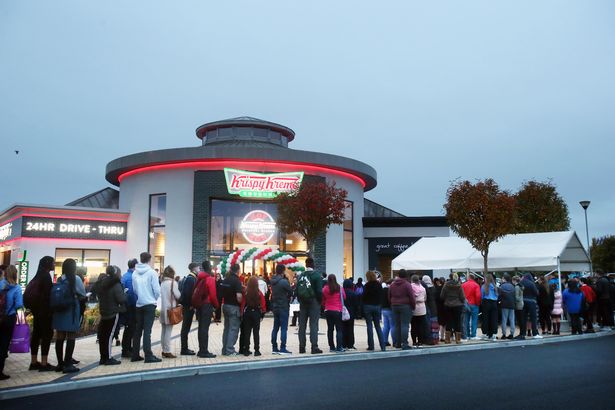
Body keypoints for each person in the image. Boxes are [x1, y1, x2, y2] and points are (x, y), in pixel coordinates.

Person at [53, 258, 86, 373]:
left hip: (59, 310)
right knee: (71, 336)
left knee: (60, 336)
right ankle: (68, 364)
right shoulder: (76, 279)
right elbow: (82, 293)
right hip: (71, 310)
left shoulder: (59, 279)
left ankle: (60, 364)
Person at [23, 256, 56, 372]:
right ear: (48, 264)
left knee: (36, 334)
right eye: (53, 262)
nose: (54, 264)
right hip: (45, 311)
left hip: (36, 311)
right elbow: (48, 295)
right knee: (47, 335)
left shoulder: (37, 276)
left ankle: (33, 362)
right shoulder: (46, 276)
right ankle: (44, 363)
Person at [131, 252, 162, 363]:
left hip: (139, 304)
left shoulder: (135, 273)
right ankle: (148, 355)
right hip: (149, 304)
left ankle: (135, 354)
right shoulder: (152, 273)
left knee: (138, 330)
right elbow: (157, 290)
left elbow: (134, 289)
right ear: (149, 260)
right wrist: (153, 298)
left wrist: (141, 296)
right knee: (147, 331)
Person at [95, 265, 126, 365]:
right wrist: (125, 294)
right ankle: (108, 358)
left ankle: (102, 357)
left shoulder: (101, 283)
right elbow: (121, 299)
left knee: (103, 336)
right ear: (116, 273)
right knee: (109, 336)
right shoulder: (115, 284)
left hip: (103, 312)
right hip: (112, 312)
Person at [0, 265, 24, 380]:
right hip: (8, 319)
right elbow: (19, 305)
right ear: (15, 274)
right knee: (4, 344)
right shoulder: (16, 288)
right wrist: (22, 321)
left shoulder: (0, 284)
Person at [298, 257, 324, 354]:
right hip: (313, 302)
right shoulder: (316, 276)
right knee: (313, 324)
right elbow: (319, 291)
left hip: (303, 302)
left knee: (302, 325)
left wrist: (301, 300)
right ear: (313, 264)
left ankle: (302, 347)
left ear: (306, 265)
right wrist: (319, 302)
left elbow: (296, 290)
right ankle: (314, 347)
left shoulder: (301, 275)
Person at [195, 261, 219, 358]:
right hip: (207, 305)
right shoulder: (210, 279)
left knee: (201, 328)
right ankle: (204, 351)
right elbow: (213, 295)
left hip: (200, 305)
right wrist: (216, 306)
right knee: (205, 328)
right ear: (209, 267)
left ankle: (201, 349)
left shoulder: (199, 277)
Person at [240, 276, 267, 356]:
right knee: (256, 332)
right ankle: (257, 350)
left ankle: (246, 350)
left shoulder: (246, 292)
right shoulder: (259, 293)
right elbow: (263, 304)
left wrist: (241, 313)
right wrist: (262, 314)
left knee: (247, 332)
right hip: (256, 313)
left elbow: (243, 304)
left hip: (247, 313)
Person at [389, 269, 415, 350]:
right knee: (404, 325)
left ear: (398, 275)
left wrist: (392, 303)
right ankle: (404, 343)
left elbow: (389, 295)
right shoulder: (407, 284)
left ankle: (397, 343)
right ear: (406, 275)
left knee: (397, 325)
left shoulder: (392, 284)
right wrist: (413, 306)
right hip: (405, 306)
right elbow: (411, 296)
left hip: (394, 305)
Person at [158, 266, 181, 358]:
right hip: (170, 309)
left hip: (163, 309)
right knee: (168, 331)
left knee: (163, 330)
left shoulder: (162, 283)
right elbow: (178, 295)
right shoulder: (173, 283)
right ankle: (167, 351)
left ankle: (164, 349)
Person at [270, 264, 293, 355]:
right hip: (283, 306)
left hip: (275, 306)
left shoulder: (273, 281)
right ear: (283, 271)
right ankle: (283, 348)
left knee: (275, 327)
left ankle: (274, 348)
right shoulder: (284, 282)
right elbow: (291, 292)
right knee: (283, 328)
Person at [221, 264, 243, 356]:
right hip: (234, 307)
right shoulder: (237, 281)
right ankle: (230, 350)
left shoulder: (226, 279)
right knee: (233, 329)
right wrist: (241, 302)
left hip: (225, 305)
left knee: (227, 328)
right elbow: (239, 296)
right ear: (238, 270)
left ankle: (224, 349)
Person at [322, 274, 346, 352]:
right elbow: (344, 297)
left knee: (330, 329)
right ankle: (339, 347)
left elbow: (322, 300)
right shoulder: (339, 288)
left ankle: (331, 347)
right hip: (337, 310)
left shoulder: (325, 288)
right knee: (339, 329)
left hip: (328, 310)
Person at [179, 262, 199, 355]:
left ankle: (185, 348)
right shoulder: (191, 279)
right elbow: (188, 293)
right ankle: (184, 349)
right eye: (198, 268)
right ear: (194, 269)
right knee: (185, 327)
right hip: (188, 307)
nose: (199, 270)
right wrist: (191, 304)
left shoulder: (191, 278)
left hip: (188, 306)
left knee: (186, 327)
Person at [440, 273, 466, 344]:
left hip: (448, 305)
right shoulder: (459, 285)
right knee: (458, 322)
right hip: (458, 306)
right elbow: (462, 297)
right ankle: (458, 340)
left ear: (449, 277)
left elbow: (442, 296)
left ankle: (447, 339)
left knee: (449, 322)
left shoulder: (446, 285)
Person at [363, 271, 385, 351]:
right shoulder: (379, 285)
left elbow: (363, 296)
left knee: (369, 326)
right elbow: (381, 295)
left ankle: (371, 346)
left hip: (368, 306)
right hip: (377, 306)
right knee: (378, 326)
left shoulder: (366, 285)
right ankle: (383, 345)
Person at [120, 259, 137, 358]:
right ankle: (126, 350)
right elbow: (131, 294)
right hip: (131, 307)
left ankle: (127, 348)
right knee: (130, 329)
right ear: (135, 266)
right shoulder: (131, 277)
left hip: (126, 306)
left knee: (128, 329)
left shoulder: (125, 276)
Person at [519, 273, 542, 339]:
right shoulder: (531, 283)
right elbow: (536, 293)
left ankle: (523, 333)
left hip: (523, 302)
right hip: (531, 302)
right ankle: (535, 333)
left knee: (523, 318)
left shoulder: (521, 282)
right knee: (533, 318)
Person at [461, 273, 481, 340]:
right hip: (474, 304)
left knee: (466, 320)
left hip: (466, 304)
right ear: (473, 278)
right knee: (474, 320)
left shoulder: (463, 285)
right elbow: (478, 296)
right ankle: (473, 335)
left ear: (468, 277)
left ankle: (466, 335)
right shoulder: (476, 285)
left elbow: (461, 295)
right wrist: (478, 303)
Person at [410, 275, 427, 347]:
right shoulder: (423, 288)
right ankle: (420, 342)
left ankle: (414, 342)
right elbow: (425, 298)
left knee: (413, 326)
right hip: (422, 309)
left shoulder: (410, 287)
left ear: (412, 280)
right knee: (420, 326)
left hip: (413, 308)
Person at [342, 279, 359, 350]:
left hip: (343, 312)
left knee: (343, 328)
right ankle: (350, 344)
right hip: (351, 312)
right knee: (350, 329)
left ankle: (343, 344)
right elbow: (356, 305)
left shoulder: (342, 293)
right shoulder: (353, 293)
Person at [481, 273, 499, 341]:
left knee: (485, 319)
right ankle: (493, 335)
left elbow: (482, 296)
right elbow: (497, 296)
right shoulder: (494, 286)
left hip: (486, 302)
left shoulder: (484, 286)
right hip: (494, 303)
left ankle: (485, 334)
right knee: (494, 319)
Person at [498, 273, 515, 339]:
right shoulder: (512, 286)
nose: (502, 279)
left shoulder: (502, 286)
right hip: (512, 304)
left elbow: (499, 296)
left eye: (502, 278)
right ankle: (512, 333)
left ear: (504, 279)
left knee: (504, 319)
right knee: (512, 319)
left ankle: (504, 334)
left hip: (504, 304)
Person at [381, 280, 396, 347]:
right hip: (390, 309)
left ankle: (384, 341)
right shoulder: (391, 290)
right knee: (393, 326)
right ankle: (395, 341)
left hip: (383, 309)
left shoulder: (383, 290)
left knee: (386, 326)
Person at [434, 277, 447, 342]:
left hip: (438, 307)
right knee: (444, 323)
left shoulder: (436, 289)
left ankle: (439, 336)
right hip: (445, 307)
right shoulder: (445, 289)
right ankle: (444, 336)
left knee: (440, 323)